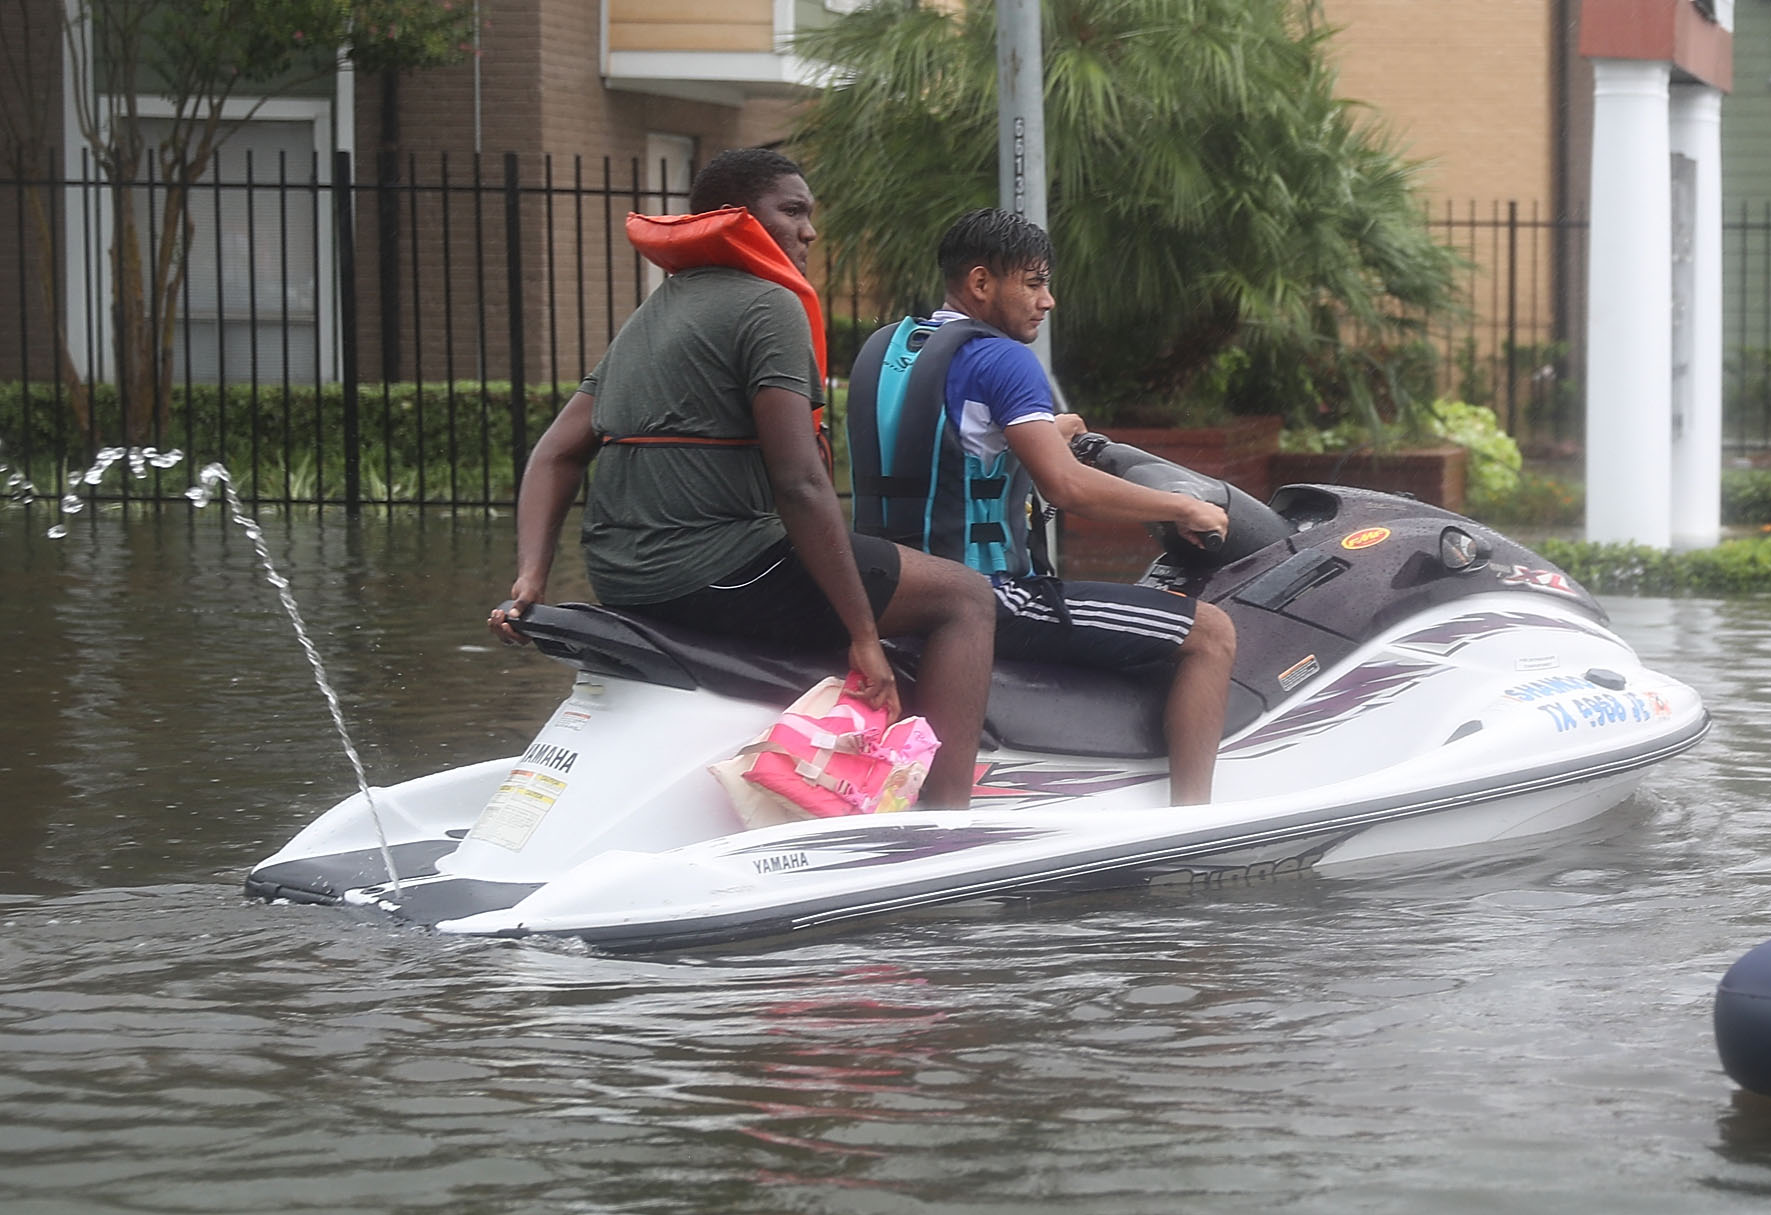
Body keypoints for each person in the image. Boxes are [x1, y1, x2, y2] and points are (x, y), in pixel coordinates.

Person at [492, 147, 996, 812]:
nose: (809, 231)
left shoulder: (653, 312)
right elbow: (799, 484)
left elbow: (556, 451)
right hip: (719, 571)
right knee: (964, 596)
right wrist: (863, 635)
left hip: (623, 580)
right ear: (736, 218)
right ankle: (947, 820)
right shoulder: (769, 305)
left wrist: (532, 575)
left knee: (877, 575)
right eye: (792, 212)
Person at [851, 208, 1241, 805]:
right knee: (1211, 633)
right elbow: (1068, 488)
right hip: (986, 598)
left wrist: (1043, 430)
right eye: (1032, 283)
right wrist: (1187, 509)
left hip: (892, 584)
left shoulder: (889, 348)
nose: (1048, 300)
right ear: (982, 284)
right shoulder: (1003, 360)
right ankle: (1192, 825)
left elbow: (945, 441)